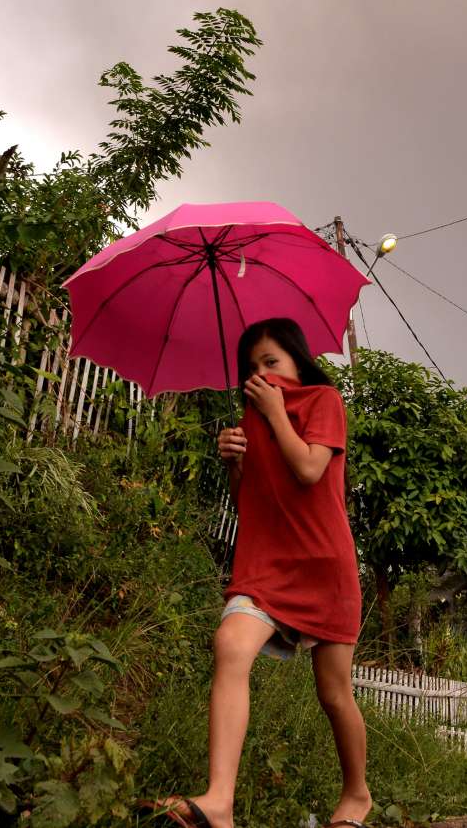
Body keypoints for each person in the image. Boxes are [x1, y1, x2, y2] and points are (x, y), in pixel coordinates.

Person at [154, 318, 370, 828]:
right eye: (253, 368)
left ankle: (357, 795)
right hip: (266, 566)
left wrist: (275, 415)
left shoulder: (323, 401)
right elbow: (250, 504)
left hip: (324, 567)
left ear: (298, 361)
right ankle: (219, 802)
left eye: (272, 361)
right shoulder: (249, 419)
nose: (262, 374)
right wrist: (234, 463)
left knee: (333, 693)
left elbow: (310, 469)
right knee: (230, 643)